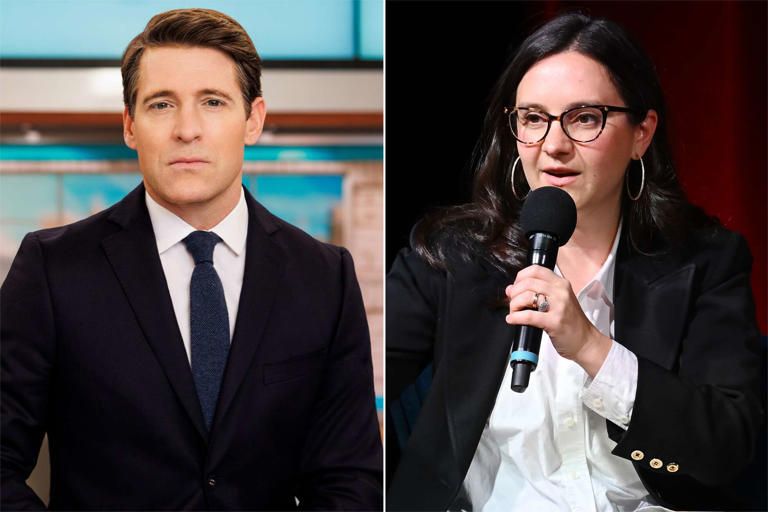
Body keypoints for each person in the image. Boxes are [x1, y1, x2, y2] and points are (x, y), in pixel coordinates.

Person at [1, 8, 382, 510]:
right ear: (130, 125)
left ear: (253, 120)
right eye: (161, 104)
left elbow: (349, 478)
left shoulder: (323, 275)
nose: (187, 129)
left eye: (213, 102)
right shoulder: (52, 268)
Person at [386, 12, 762, 512]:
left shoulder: (707, 261)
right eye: (534, 118)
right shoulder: (453, 257)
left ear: (641, 134)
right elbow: (350, 374)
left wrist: (592, 347)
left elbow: (727, 446)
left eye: (585, 118)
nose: (554, 146)